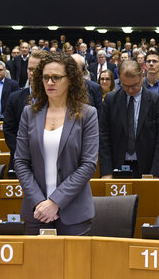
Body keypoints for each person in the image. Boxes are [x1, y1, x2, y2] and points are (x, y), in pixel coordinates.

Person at [14, 52, 98, 235]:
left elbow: (88, 164)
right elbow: (21, 162)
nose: (49, 83)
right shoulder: (29, 113)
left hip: (74, 213)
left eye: (56, 78)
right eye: (45, 78)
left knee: (74, 264)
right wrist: (40, 202)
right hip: (37, 213)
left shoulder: (88, 114)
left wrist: (55, 202)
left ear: (70, 80)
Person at [98, 59, 159, 178]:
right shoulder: (110, 100)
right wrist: (106, 172)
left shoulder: (157, 102)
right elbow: (104, 137)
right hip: (117, 167)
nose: (130, 90)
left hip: (148, 168)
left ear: (142, 76)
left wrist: (157, 174)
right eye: (125, 86)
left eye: (134, 85)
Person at [3, 50, 45, 174]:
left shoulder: (56, 98)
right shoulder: (15, 97)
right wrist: (23, 154)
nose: (32, 74)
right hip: (20, 161)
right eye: (30, 69)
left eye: (37, 70)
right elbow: (9, 130)